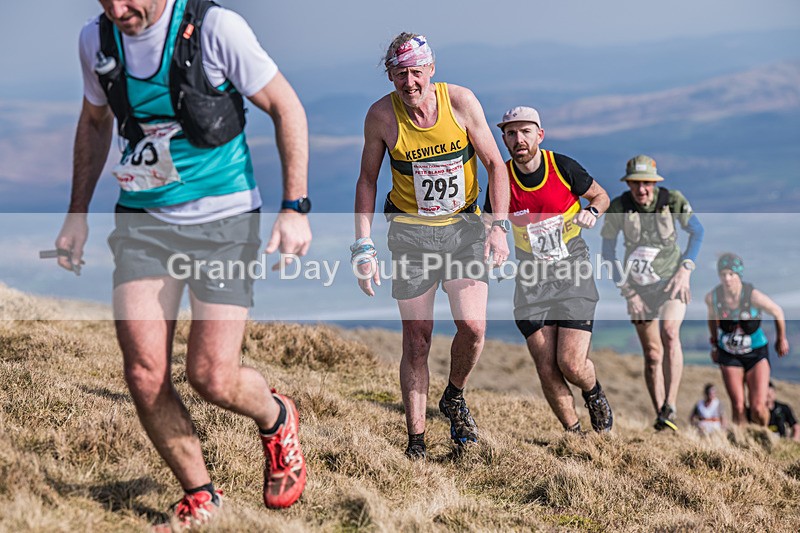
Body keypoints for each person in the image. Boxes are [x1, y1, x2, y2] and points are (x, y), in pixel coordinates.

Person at [55, 0, 311, 527]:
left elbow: (287, 107)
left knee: (212, 376)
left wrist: (295, 208)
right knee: (144, 372)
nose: (117, 9)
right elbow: (95, 120)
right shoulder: (96, 41)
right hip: (143, 220)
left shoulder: (216, 29)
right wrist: (76, 214)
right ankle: (201, 495)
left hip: (224, 221)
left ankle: (276, 415)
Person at [353, 33, 510, 459]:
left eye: (416, 71)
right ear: (390, 75)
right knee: (417, 338)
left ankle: (454, 394)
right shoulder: (381, 116)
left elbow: (496, 164)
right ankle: (416, 443)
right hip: (410, 234)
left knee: (473, 327)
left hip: (464, 229)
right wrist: (363, 247)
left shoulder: (460, 102)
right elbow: (367, 181)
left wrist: (498, 227)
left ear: (431, 70)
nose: (409, 82)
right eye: (400, 73)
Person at [485, 106, 614, 433]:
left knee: (570, 363)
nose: (519, 139)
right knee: (546, 366)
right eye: (511, 133)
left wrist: (592, 211)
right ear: (504, 139)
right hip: (531, 280)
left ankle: (593, 392)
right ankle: (574, 434)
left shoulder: (562, 167)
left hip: (572, 271)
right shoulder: (500, 179)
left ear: (539, 135)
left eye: (526, 131)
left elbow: (601, 195)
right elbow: (489, 221)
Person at [601, 155, 704, 431]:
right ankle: (661, 414)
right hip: (637, 289)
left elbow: (697, 232)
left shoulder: (673, 201)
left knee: (670, 333)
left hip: (672, 283)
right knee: (653, 353)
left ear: (655, 183)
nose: (641, 190)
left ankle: (671, 403)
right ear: (629, 184)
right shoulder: (619, 207)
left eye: (646, 183)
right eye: (636, 184)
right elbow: (608, 254)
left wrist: (686, 269)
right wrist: (628, 293)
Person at [705, 254, 789, 426]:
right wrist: (714, 344)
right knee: (738, 406)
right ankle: (742, 447)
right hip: (729, 354)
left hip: (756, 353)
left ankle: (764, 435)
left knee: (758, 407)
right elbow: (712, 319)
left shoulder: (752, 295)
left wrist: (781, 339)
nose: (727, 279)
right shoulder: (713, 298)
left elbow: (778, 311)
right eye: (723, 275)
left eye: (731, 274)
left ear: (739, 275)